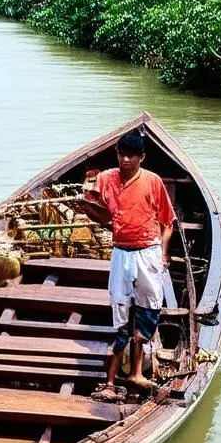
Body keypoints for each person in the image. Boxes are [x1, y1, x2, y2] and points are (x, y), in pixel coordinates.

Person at [80, 129, 175, 401]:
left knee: (148, 311)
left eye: (130, 156)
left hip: (148, 251)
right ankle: (110, 383)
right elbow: (103, 217)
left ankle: (136, 373)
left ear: (141, 158)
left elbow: (167, 224)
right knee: (119, 312)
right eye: (121, 155)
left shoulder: (153, 181)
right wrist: (86, 205)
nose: (125, 160)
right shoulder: (105, 179)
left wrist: (163, 254)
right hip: (121, 252)